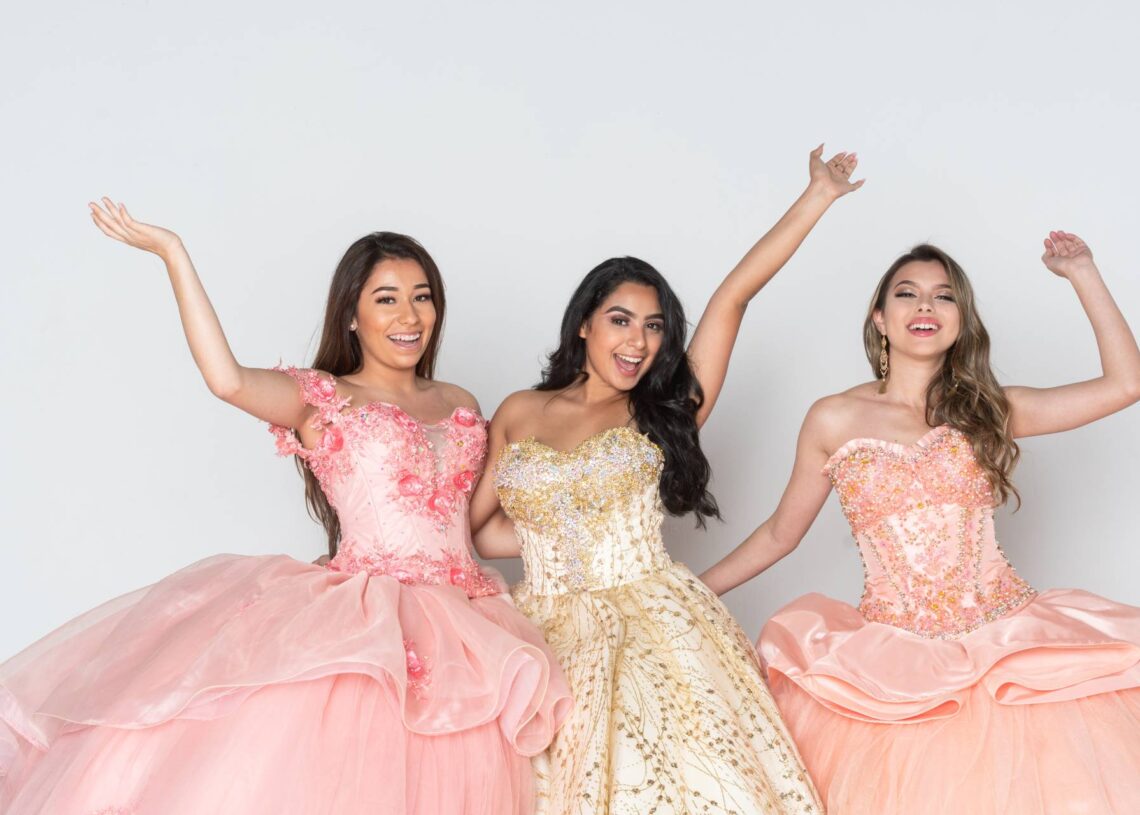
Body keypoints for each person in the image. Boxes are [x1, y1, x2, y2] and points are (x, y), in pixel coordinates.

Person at [0, 202, 571, 814]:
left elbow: (479, 527)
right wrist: (173, 253)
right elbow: (227, 380)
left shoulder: (460, 401)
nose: (409, 316)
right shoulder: (325, 398)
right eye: (386, 299)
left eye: (422, 296)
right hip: (369, 626)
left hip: (469, 629)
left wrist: (591, 534)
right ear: (351, 314)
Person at [468, 146, 862, 813]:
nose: (638, 341)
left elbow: (734, 295)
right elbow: (476, 531)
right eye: (621, 320)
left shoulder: (663, 410)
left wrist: (817, 196)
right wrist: (555, 540)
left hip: (652, 625)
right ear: (586, 322)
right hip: (540, 629)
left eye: (654, 327)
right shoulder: (518, 411)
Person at [701, 234, 1140, 813]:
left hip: (1004, 645)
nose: (926, 306)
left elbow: (1125, 385)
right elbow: (782, 531)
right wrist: (691, 590)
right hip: (893, 664)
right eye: (907, 294)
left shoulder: (989, 410)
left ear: (962, 320)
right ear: (880, 318)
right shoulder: (833, 417)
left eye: (944, 296)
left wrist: (1083, 272)